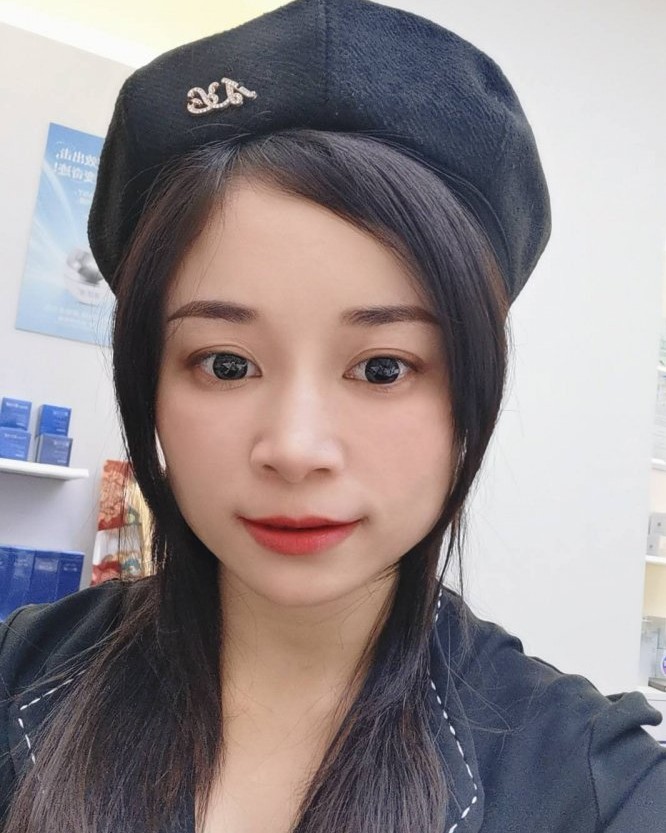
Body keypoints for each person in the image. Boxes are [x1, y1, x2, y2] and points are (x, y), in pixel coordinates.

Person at [0, 0, 664, 831]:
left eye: (383, 367)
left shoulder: (593, 786)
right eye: (226, 364)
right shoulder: (17, 679)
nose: (295, 447)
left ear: (472, 390)